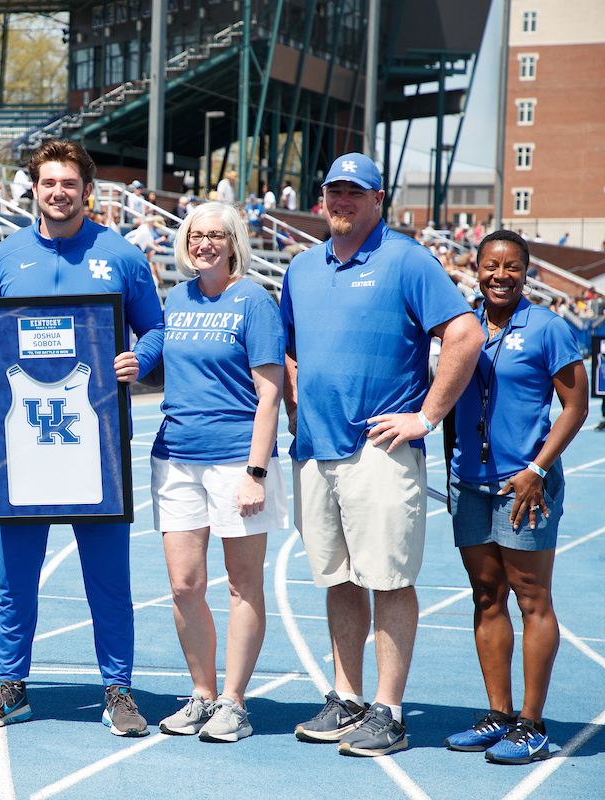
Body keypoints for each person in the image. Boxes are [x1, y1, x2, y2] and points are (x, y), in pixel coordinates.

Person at [281, 153, 484, 757]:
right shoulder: (301, 268)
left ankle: (389, 711)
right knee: (339, 579)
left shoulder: (406, 259)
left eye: (353, 192)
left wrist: (426, 417)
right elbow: (290, 350)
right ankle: (346, 698)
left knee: (389, 579)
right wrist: (300, 406)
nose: (341, 201)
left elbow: (465, 334)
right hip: (316, 450)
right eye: (333, 192)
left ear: (378, 200)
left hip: (379, 449)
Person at [0, 140, 164, 737]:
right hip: (22, 447)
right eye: (48, 182)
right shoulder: (5, 257)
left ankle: (118, 690)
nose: (58, 193)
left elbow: (154, 329)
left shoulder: (122, 255)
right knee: (14, 578)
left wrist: (138, 360)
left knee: (109, 577)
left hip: (95, 445)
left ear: (87, 190)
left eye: (69, 184)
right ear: (34, 188)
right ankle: (10, 684)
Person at [443, 230, 588, 764]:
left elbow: (576, 407)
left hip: (524, 487)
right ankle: (498, 714)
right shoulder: (461, 327)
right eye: (489, 266)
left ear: (526, 272)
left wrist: (536, 469)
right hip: (470, 485)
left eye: (510, 267)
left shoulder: (548, 327)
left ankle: (531, 723)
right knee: (486, 597)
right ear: (474, 269)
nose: (499, 276)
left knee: (532, 600)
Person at [150, 202, 289, 742]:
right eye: (195, 235)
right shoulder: (177, 298)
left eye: (215, 235)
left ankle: (235, 701)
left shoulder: (253, 299)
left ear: (233, 242)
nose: (204, 243)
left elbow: (270, 392)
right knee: (185, 585)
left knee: (241, 583)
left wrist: (255, 471)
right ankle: (203, 695)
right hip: (176, 455)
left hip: (237, 459)